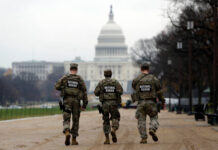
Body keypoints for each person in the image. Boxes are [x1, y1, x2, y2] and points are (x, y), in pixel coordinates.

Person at [55, 63, 88, 146]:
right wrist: (84, 104)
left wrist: (64, 88)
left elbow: (57, 86)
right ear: (76, 70)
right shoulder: (79, 79)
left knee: (66, 118)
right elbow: (84, 92)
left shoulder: (65, 78)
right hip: (76, 102)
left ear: (70, 69)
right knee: (75, 120)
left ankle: (66, 131)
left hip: (67, 100)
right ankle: (74, 139)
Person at [132, 63, 165, 144]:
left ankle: (144, 138)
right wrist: (162, 100)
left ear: (141, 69)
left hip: (141, 103)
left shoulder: (137, 79)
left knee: (141, 121)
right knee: (154, 117)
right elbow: (159, 90)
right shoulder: (153, 78)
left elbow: (133, 86)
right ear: (148, 69)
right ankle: (152, 129)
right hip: (151, 102)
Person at [94, 69, 123, 144]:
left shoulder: (101, 83)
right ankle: (113, 129)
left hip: (105, 104)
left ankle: (107, 139)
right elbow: (121, 91)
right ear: (111, 74)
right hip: (113, 103)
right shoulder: (115, 82)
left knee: (106, 121)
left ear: (104, 75)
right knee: (115, 117)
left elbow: (96, 93)